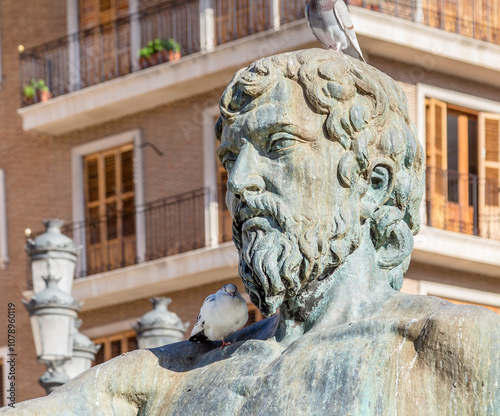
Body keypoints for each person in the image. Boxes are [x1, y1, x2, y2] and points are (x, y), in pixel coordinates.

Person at [5, 49, 499, 415]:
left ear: (371, 183)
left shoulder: (458, 351)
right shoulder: (163, 377)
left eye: (278, 145)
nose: (239, 181)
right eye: (229, 159)